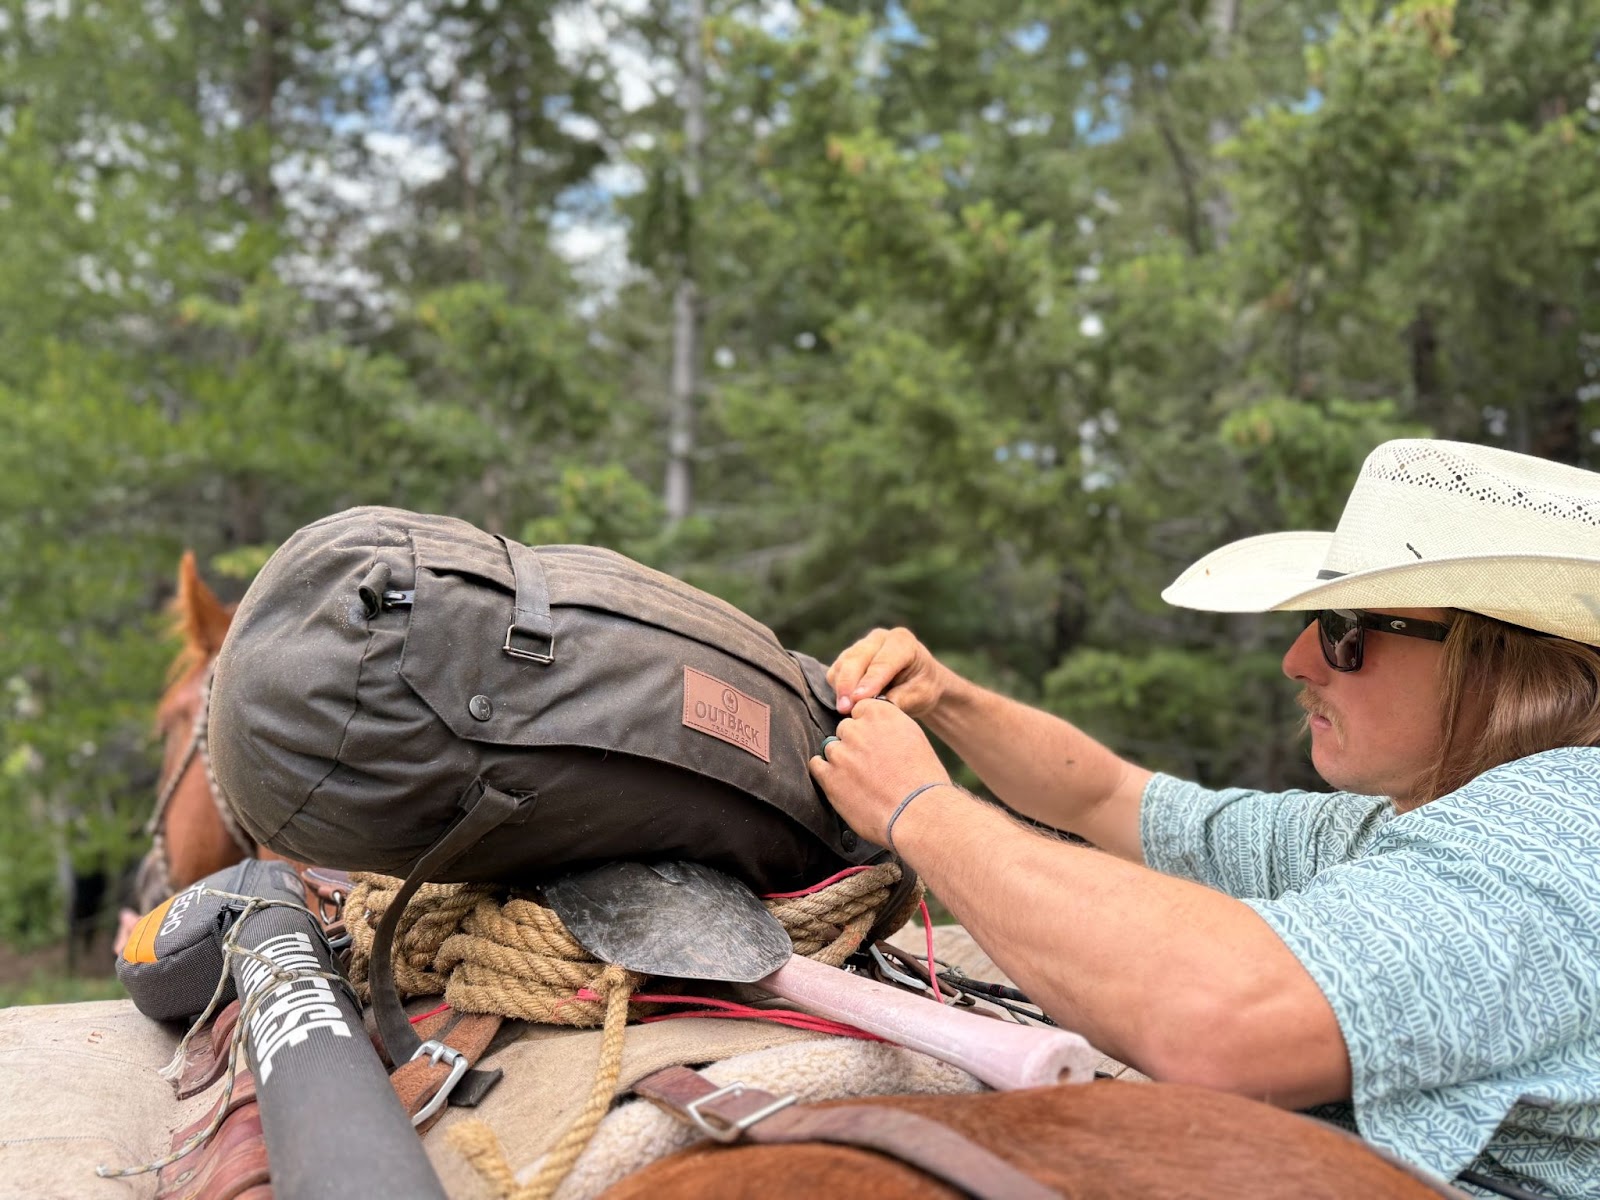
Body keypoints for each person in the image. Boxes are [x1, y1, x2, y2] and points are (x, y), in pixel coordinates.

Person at [808, 438, 1600, 1199]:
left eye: (1346, 628)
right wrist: (947, 697)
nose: (1299, 660)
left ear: (1497, 660)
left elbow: (1219, 1022)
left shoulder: (1561, 826)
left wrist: (919, 809)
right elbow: (1107, 798)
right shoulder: (1407, 822)